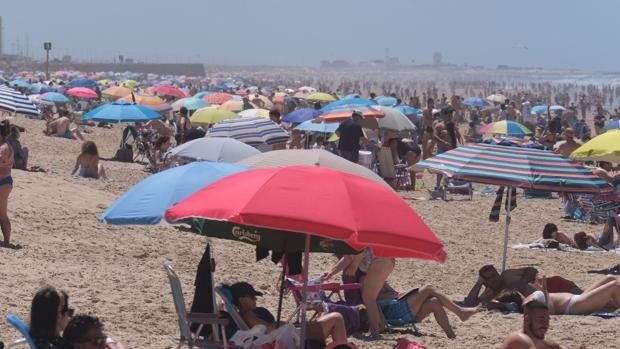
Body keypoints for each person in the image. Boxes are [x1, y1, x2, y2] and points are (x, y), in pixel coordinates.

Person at [323, 252, 480, 339]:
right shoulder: (364, 279)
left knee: (432, 300)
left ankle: (452, 336)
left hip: (400, 308)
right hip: (394, 312)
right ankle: (460, 312)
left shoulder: (370, 275)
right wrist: (332, 272)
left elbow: (348, 258)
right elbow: (349, 259)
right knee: (430, 291)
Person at [223, 282, 349, 347]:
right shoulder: (248, 315)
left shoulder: (248, 315)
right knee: (336, 318)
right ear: (241, 299)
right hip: (291, 337)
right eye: (252, 297)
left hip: (289, 333)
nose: (255, 300)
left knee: (333, 319)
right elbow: (268, 330)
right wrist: (287, 325)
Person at [463, 265, 581, 307]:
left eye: (495, 273)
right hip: (550, 298)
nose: (496, 277)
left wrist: (522, 283)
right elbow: (470, 303)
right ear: (485, 282)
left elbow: (532, 270)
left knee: (585, 296)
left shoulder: (507, 275)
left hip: (556, 285)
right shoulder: (491, 292)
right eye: (491, 277)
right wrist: (479, 283)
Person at [526, 275, 619, 316]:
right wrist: (545, 292)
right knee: (615, 285)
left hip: (577, 298)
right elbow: (550, 313)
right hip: (575, 305)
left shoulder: (532, 295)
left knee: (610, 278)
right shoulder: (529, 302)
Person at [500, 301, 570, 349]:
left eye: (547, 320)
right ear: (527, 319)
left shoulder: (534, 338)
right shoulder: (519, 339)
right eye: (541, 320)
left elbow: (555, 346)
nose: (545, 325)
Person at [0, 120, 13, 246]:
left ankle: (7, 242)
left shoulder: (4, 147)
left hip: (3, 182)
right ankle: (6, 241)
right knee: (2, 213)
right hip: (5, 181)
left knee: (2, 214)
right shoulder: (5, 145)